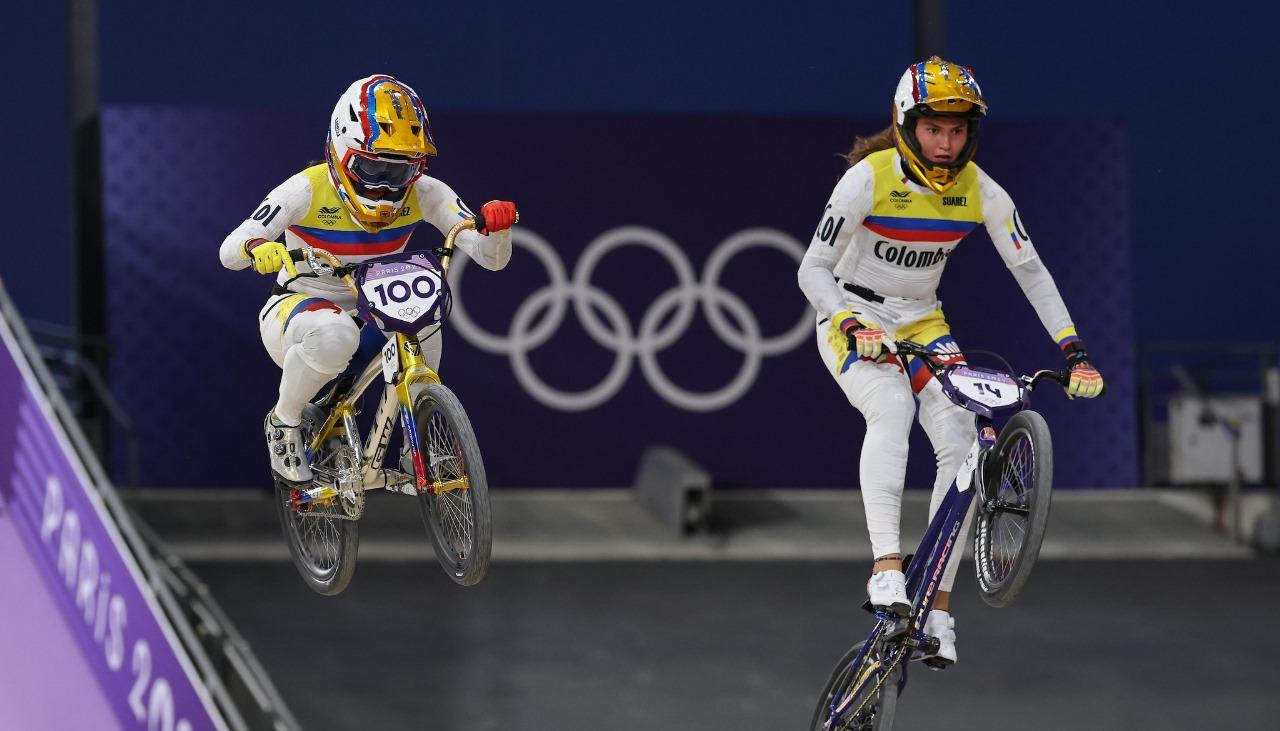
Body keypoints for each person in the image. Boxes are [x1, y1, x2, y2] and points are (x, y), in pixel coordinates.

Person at [797, 57, 1103, 667]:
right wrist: (850, 322)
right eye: (935, 129)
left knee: (963, 439)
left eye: (959, 130)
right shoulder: (868, 179)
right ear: (907, 124)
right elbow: (812, 269)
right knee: (890, 406)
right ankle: (886, 568)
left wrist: (1074, 350)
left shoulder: (981, 191)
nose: (947, 143)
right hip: (854, 315)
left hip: (922, 321)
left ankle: (935, 601)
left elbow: (1031, 271)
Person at [219, 74, 517, 484]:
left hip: (373, 305)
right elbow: (229, 249)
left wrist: (498, 231)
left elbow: (490, 259)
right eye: (372, 166)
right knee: (335, 334)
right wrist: (257, 248)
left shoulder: (426, 192)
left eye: (400, 172)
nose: (384, 186)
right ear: (341, 151)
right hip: (297, 309)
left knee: (422, 316)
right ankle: (283, 422)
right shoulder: (306, 189)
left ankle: (425, 443)